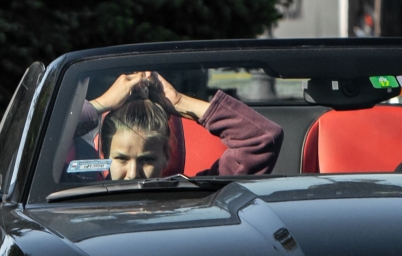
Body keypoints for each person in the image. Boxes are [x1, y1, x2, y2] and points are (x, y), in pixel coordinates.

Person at [86, 70, 281, 180]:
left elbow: (262, 139)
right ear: (103, 154)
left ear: (167, 156)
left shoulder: (196, 198)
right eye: (121, 159)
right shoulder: (77, 200)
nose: (132, 174)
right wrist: (100, 105)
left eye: (147, 160)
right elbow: (54, 144)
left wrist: (179, 102)